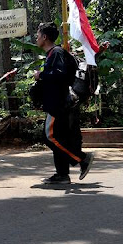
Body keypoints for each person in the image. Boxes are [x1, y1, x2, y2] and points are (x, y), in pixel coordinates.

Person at [34, 22, 94, 184]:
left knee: (50, 137)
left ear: (45, 37)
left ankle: (81, 159)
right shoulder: (55, 53)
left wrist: (41, 75)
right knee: (57, 138)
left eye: (38, 35)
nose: (36, 38)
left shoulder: (56, 53)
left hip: (59, 103)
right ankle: (62, 174)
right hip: (58, 103)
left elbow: (58, 75)